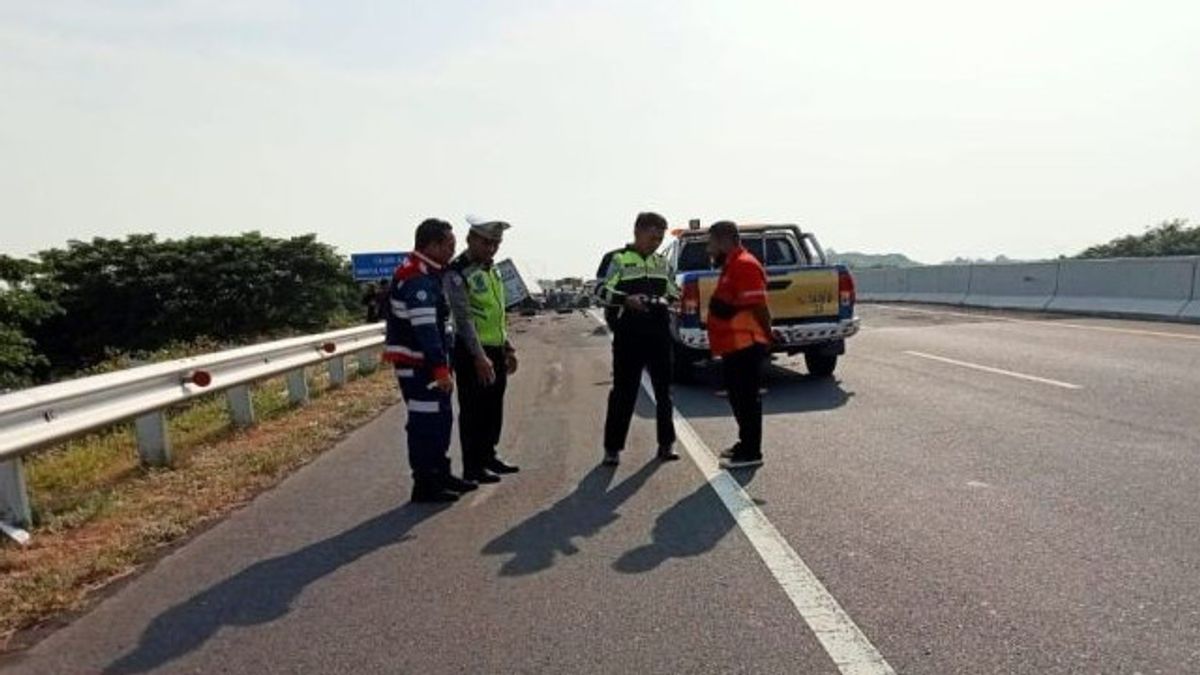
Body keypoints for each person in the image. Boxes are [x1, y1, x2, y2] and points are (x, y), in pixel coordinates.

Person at [383, 218, 477, 503]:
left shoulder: (430, 272)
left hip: (430, 365)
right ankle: (425, 483)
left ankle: (440, 472)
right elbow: (426, 329)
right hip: (419, 367)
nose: (453, 250)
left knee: (441, 419)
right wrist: (439, 368)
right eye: (449, 245)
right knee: (426, 424)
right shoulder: (416, 278)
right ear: (432, 245)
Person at [597, 212, 680, 466]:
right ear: (638, 231)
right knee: (624, 392)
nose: (656, 243)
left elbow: (673, 290)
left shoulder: (662, 262)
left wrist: (669, 299)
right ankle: (612, 448)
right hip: (629, 334)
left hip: (659, 333)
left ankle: (666, 444)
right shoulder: (617, 259)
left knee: (664, 392)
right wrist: (626, 300)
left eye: (659, 239)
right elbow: (600, 291)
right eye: (652, 237)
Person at [446, 215, 521, 484]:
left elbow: (496, 314)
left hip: (496, 348)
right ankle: (473, 467)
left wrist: (508, 347)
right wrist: (479, 356)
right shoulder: (458, 272)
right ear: (470, 240)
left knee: (493, 408)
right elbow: (464, 319)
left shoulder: (494, 270)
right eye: (486, 242)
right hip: (472, 352)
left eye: (496, 243)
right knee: (474, 411)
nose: (491, 248)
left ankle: (489, 456)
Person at [705, 221, 771, 469]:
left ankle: (751, 451)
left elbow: (759, 306)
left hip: (746, 343)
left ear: (724, 241)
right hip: (734, 345)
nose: (708, 250)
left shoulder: (744, 265)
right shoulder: (731, 266)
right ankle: (745, 444)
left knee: (746, 398)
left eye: (710, 244)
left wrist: (768, 334)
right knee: (738, 397)